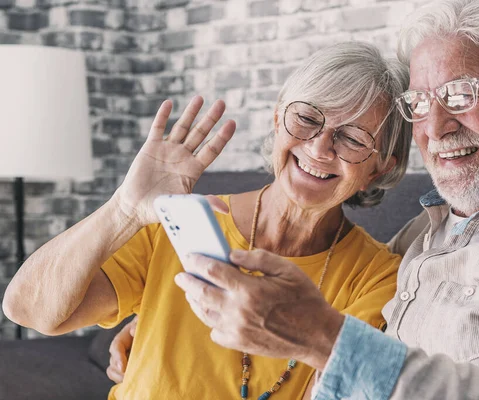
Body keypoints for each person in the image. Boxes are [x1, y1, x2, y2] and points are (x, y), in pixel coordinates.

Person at [172, 0, 479, 399]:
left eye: (459, 94)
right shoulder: (420, 233)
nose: (434, 127)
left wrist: (328, 341)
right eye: (419, 102)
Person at [2, 41, 412, 399]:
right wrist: (124, 209)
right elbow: (29, 311)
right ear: (277, 118)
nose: (320, 148)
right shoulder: (179, 221)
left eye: (353, 138)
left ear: (379, 169)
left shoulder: (379, 278)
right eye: (307, 119)